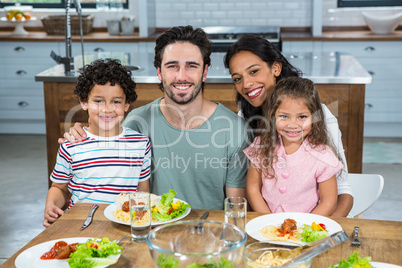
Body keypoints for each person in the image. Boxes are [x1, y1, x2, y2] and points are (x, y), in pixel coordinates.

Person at [61, 26, 250, 210]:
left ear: (205, 72)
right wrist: (81, 134)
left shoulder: (234, 129)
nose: (181, 76)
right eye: (172, 66)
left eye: (191, 66)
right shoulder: (137, 122)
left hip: (210, 235)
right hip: (149, 235)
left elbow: (235, 209)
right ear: (159, 72)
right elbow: (103, 165)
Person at [224, 35, 353, 217]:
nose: (246, 84)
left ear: (275, 68)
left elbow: (343, 191)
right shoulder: (243, 118)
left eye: (253, 71)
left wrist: (315, 234)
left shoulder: (319, 116)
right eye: (237, 78)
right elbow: (249, 185)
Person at [44, 59, 151, 227]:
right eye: (98, 101)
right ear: (84, 102)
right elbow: (59, 188)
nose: (106, 109)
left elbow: (142, 191)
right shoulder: (71, 144)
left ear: (126, 105)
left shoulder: (140, 143)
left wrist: (141, 223)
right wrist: (51, 206)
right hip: (81, 224)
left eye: (116, 101)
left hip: (123, 225)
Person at [244, 77, 343, 215]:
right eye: (284, 116)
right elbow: (253, 187)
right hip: (267, 225)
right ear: (272, 116)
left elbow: (328, 202)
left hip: (305, 228)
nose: (292, 124)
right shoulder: (262, 146)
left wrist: (304, 227)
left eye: (302, 117)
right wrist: (267, 219)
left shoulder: (323, 155)